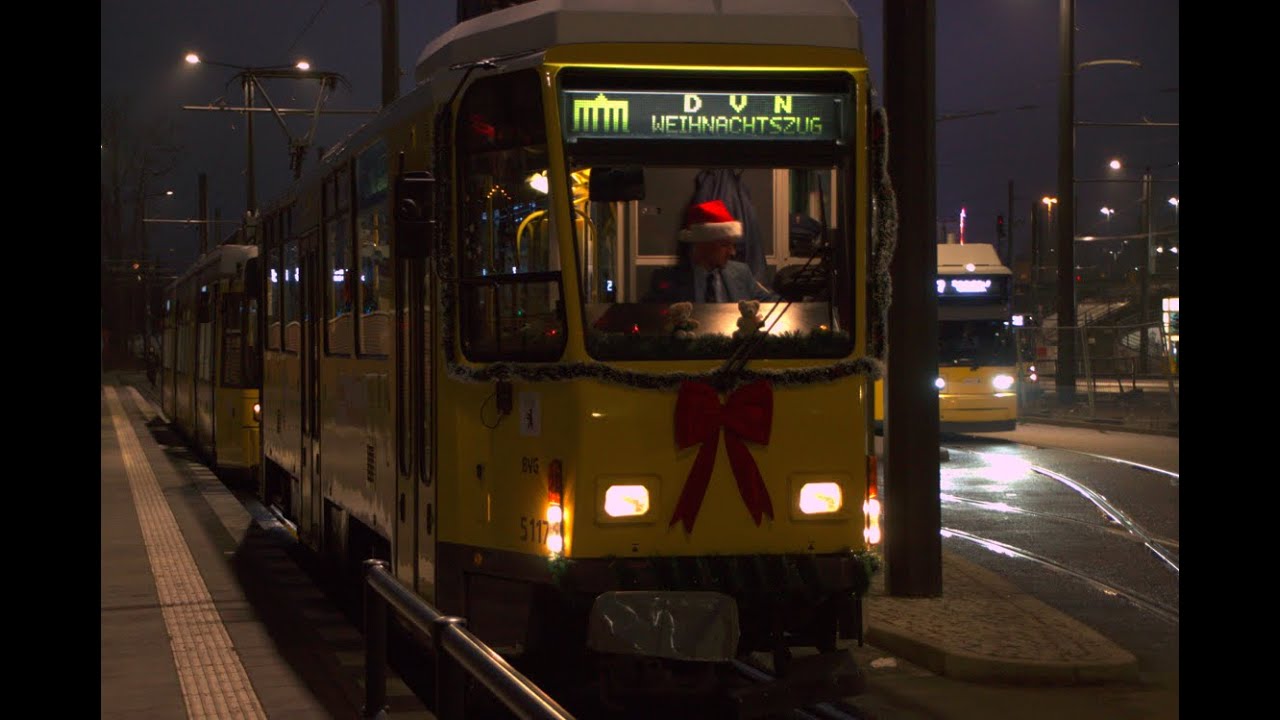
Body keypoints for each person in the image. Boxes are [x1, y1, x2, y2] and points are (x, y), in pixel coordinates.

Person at [646, 199, 778, 304]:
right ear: (702, 244)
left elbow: (774, 304)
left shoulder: (741, 273)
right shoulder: (668, 280)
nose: (732, 252)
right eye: (725, 245)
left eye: (733, 245)